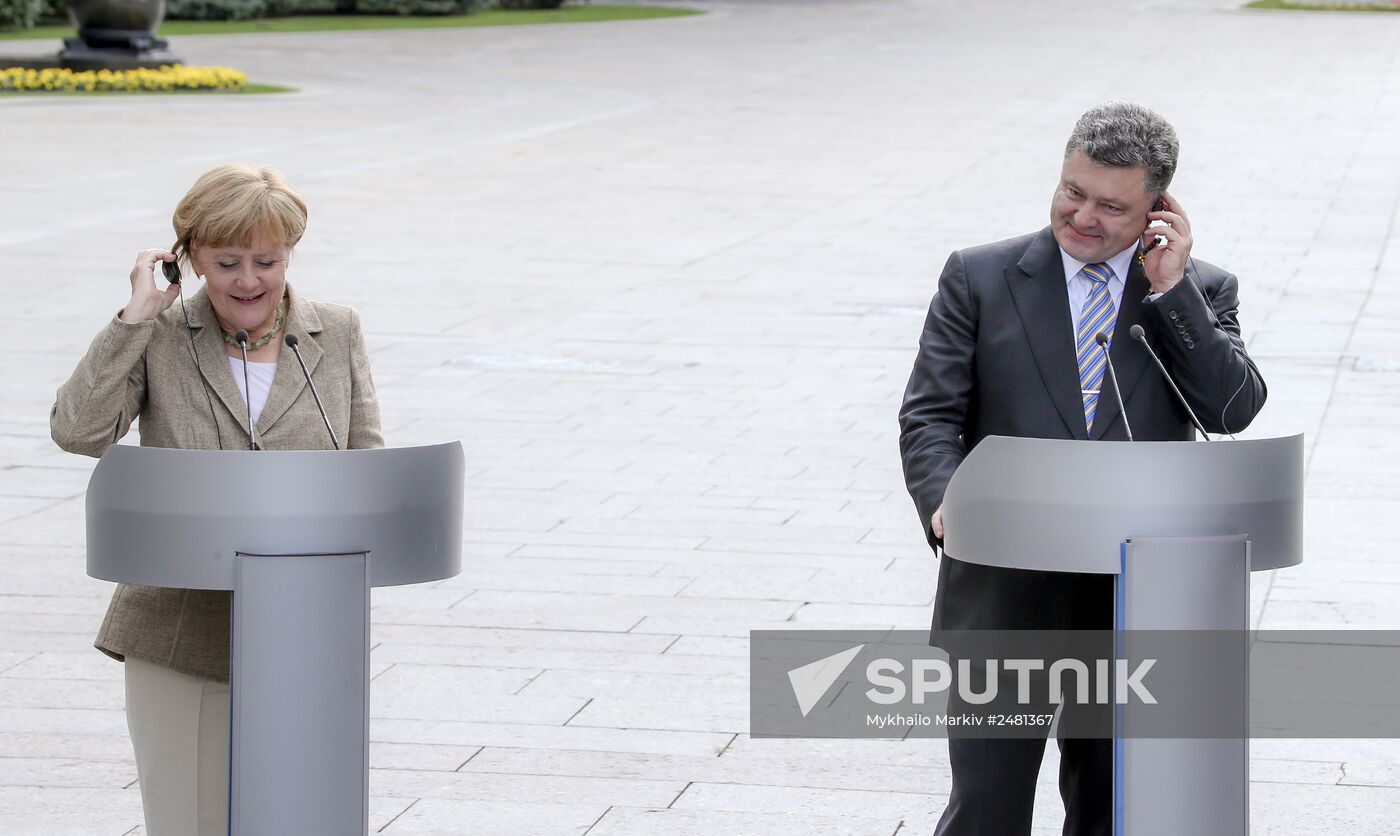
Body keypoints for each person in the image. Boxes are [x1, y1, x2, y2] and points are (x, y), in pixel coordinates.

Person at [897, 102, 1266, 836]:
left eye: (1111, 205)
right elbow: (930, 415)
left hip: (1135, 604)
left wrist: (1172, 291)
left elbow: (1231, 410)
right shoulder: (980, 276)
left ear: (1158, 208)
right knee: (986, 810)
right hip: (1004, 591)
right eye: (1073, 191)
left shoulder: (1199, 290)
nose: (1084, 217)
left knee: (1110, 810)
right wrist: (947, 503)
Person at [50, 163, 383, 836]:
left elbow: (368, 471)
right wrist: (137, 315)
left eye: (268, 260)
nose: (250, 280)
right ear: (188, 256)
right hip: (180, 634)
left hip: (307, 633)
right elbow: (78, 431)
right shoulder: (160, 335)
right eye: (227, 262)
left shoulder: (337, 331)